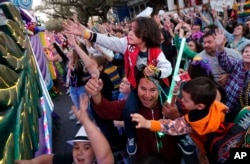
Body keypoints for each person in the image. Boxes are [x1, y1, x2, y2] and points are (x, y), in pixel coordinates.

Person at [63, 16, 172, 155]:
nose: (129, 33)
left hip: (159, 88)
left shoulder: (157, 52)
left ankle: (180, 137)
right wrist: (86, 33)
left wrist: (157, 71)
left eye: (134, 31)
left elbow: (167, 67)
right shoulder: (127, 45)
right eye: (130, 29)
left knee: (171, 109)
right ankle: (131, 138)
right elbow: (108, 41)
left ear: (145, 34)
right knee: (128, 109)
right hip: (136, 87)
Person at [84, 71, 182, 163]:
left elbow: (191, 125)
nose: (147, 95)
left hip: (172, 160)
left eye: (153, 90)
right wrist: (96, 94)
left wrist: (175, 117)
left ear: (160, 90)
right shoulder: (129, 107)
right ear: (136, 88)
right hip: (142, 160)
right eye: (143, 89)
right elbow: (106, 110)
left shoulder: (174, 105)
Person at [130, 77, 228, 164]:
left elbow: (170, 126)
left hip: (207, 151)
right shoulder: (216, 106)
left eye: (185, 100)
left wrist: (146, 123)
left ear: (200, 106)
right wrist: (175, 92)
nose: (181, 101)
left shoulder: (192, 122)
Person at [15, 94, 114, 164]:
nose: (79, 152)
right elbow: (50, 159)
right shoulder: (71, 159)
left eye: (86, 147)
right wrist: (32, 162)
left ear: (96, 152)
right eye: (76, 147)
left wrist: (86, 121)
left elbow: (104, 154)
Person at [215, 29, 250, 121]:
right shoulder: (237, 63)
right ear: (242, 54)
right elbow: (225, 63)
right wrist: (220, 47)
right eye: (246, 52)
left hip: (246, 113)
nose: (248, 54)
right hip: (229, 104)